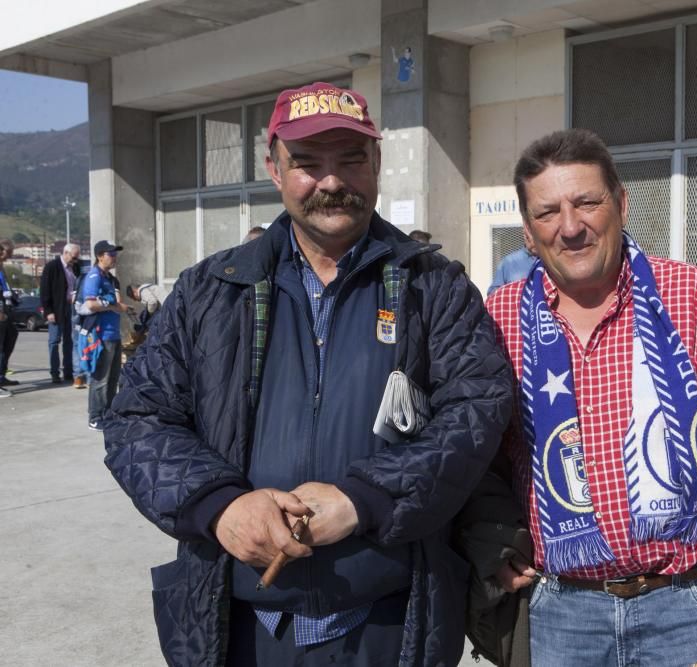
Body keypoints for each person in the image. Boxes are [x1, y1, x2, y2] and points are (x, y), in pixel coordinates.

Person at [103, 82, 513, 667]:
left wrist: (366, 497)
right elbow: (137, 418)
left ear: (375, 165)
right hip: (243, 624)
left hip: (388, 624)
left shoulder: (434, 287)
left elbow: (477, 412)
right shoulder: (210, 291)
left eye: (350, 159)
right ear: (274, 169)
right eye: (307, 163)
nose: (331, 181)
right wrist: (219, 506)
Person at [485, 129, 697, 667]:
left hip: (690, 604)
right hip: (563, 613)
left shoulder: (691, 297)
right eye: (548, 213)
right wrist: (490, 542)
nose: (571, 227)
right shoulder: (500, 319)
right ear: (528, 233)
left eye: (587, 203)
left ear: (622, 204)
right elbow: (479, 459)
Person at [81, 240, 127, 431]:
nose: (114, 257)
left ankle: (107, 413)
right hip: (101, 335)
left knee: (113, 377)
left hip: (113, 334)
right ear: (100, 256)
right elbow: (90, 304)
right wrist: (115, 306)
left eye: (115, 254)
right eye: (110, 254)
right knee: (101, 378)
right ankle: (95, 416)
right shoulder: (94, 276)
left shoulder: (107, 277)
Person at [40, 243, 83, 385]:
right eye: (73, 258)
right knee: (54, 341)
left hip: (72, 308)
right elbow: (45, 290)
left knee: (69, 341)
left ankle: (69, 371)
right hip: (56, 309)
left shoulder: (75, 267)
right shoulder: (52, 267)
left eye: (77, 258)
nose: (75, 261)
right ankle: (54, 373)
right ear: (65, 253)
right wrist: (48, 311)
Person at [0, 239, 18, 397]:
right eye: (8, 253)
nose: (9, 256)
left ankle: (2, 374)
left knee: (11, 337)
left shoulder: (2, 268)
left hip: (7, 310)